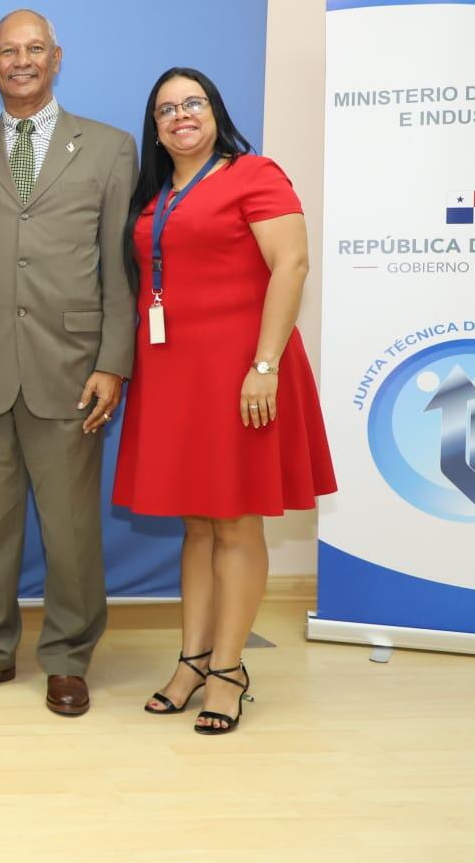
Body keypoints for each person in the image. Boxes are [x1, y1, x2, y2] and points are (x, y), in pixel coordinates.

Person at [0, 9, 136, 717]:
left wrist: (113, 360)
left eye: (34, 49)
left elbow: (119, 267)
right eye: (7, 52)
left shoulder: (108, 149)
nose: (21, 61)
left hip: (71, 367)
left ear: (57, 58)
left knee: (72, 526)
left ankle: (69, 657)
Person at [113, 67, 335, 735]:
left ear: (215, 111)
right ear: (154, 128)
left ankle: (230, 670)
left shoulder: (255, 173)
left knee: (237, 521)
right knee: (197, 523)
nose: (181, 116)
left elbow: (291, 266)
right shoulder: (156, 193)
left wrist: (264, 364)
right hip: (175, 373)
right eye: (166, 110)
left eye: (193, 104)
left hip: (243, 373)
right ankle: (192, 659)